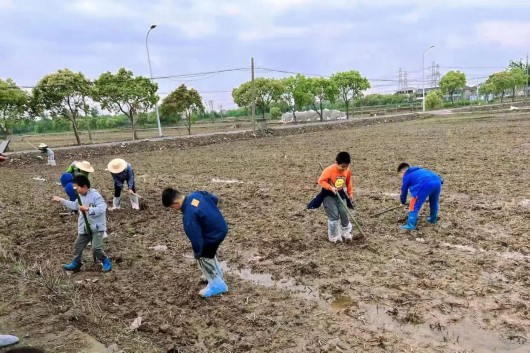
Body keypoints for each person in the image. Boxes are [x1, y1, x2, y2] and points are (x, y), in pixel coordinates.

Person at [162, 188, 228, 298]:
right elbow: (214, 199)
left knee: (203, 257)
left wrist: (198, 253)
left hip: (213, 235)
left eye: (173, 207)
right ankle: (217, 274)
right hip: (221, 226)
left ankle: (217, 285)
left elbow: (196, 238)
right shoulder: (197, 195)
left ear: (176, 203)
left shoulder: (189, 215)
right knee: (209, 252)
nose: (174, 210)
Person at [52, 174, 111, 272]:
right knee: (77, 246)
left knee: (96, 248)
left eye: (77, 187)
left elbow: (102, 208)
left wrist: (88, 209)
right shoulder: (80, 196)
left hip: (97, 227)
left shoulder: (96, 196)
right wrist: (61, 201)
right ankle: (76, 263)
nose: (76, 190)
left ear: (84, 187)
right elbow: (75, 205)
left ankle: (105, 261)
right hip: (84, 227)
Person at [315, 151, 355, 243]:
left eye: (346, 166)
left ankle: (346, 233)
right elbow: (321, 181)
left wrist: (350, 193)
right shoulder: (329, 170)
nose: (344, 168)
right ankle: (334, 237)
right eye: (342, 166)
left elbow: (349, 182)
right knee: (334, 215)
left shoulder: (347, 171)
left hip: (340, 193)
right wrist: (331, 187)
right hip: (328, 195)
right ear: (336, 163)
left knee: (344, 212)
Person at [398, 162, 443, 230]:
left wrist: (403, 201)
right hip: (437, 181)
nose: (400, 176)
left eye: (399, 174)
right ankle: (433, 220)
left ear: (403, 171)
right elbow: (435, 176)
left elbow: (404, 190)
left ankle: (410, 225)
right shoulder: (420, 170)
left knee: (414, 204)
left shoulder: (407, 175)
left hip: (425, 184)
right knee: (434, 201)